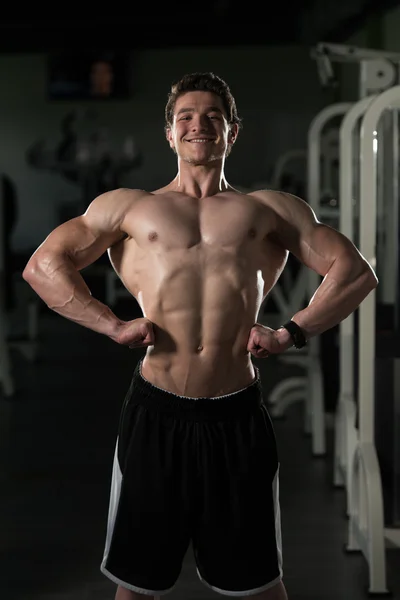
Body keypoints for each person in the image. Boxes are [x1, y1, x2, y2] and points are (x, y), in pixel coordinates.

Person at [22, 72, 378, 600]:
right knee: (135, 583)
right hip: (155, 412)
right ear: (169, 133)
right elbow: (42, 266)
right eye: (185, 116)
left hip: (236, 415)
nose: (198, 125)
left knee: (259, 583)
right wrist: (112, 324)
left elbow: (355, 271)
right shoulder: (129, 207)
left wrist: (290, 333)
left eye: (213, 116)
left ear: (233, 132)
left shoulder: (270, 210)